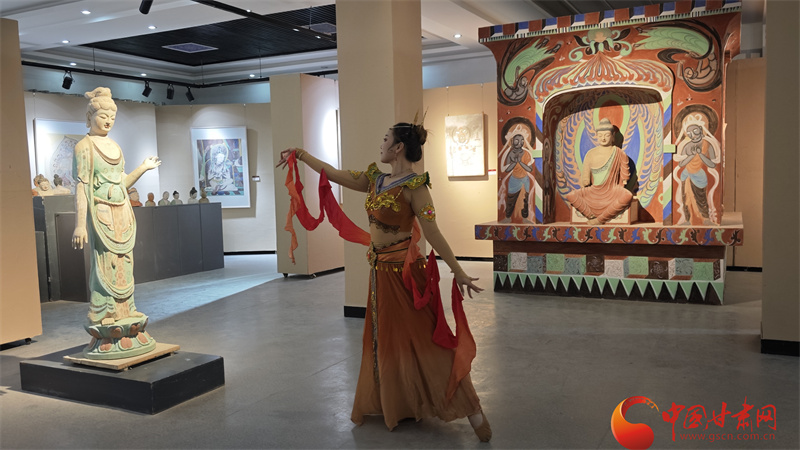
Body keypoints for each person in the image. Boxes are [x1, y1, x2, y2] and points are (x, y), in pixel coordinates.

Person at [276, 122, 491, 442]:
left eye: (386, 139)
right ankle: (401, 403)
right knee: (388, 343)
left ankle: (473, 410)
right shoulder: (374, 179)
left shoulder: (416, 186)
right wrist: (301, 154)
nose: (381, 143)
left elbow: (432, 232)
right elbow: (333, 174)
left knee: (428, 341)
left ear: (398, 147)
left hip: (407, 277)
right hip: (379, 275)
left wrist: (457, 270)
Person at [71, 87, 161, 326]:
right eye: (103, 116)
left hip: (122, 212)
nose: (108, 121)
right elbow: (81, 186)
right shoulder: (84, 147)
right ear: (90, 116)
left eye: (112, 117)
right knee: (105, 262)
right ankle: (102, 312)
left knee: (125, 262)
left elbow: (123, 183)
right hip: (101, 213)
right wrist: (80, 225)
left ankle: (126, 309)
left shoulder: (115, 146)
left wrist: (143, 168)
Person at [564, 118, 633, 225]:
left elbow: (624, 179)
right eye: (600, 136)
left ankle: (600, 220)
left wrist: (620, 186)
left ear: (613, 136)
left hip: (612, 191)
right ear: (596, 136)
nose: (603, 138)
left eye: (607, 135)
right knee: (571, 195)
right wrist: (586, 181)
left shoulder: (619, 153)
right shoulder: (590, 154)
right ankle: (590, 215)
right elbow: (585, 181)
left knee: (627, 195)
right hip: (594, 191)